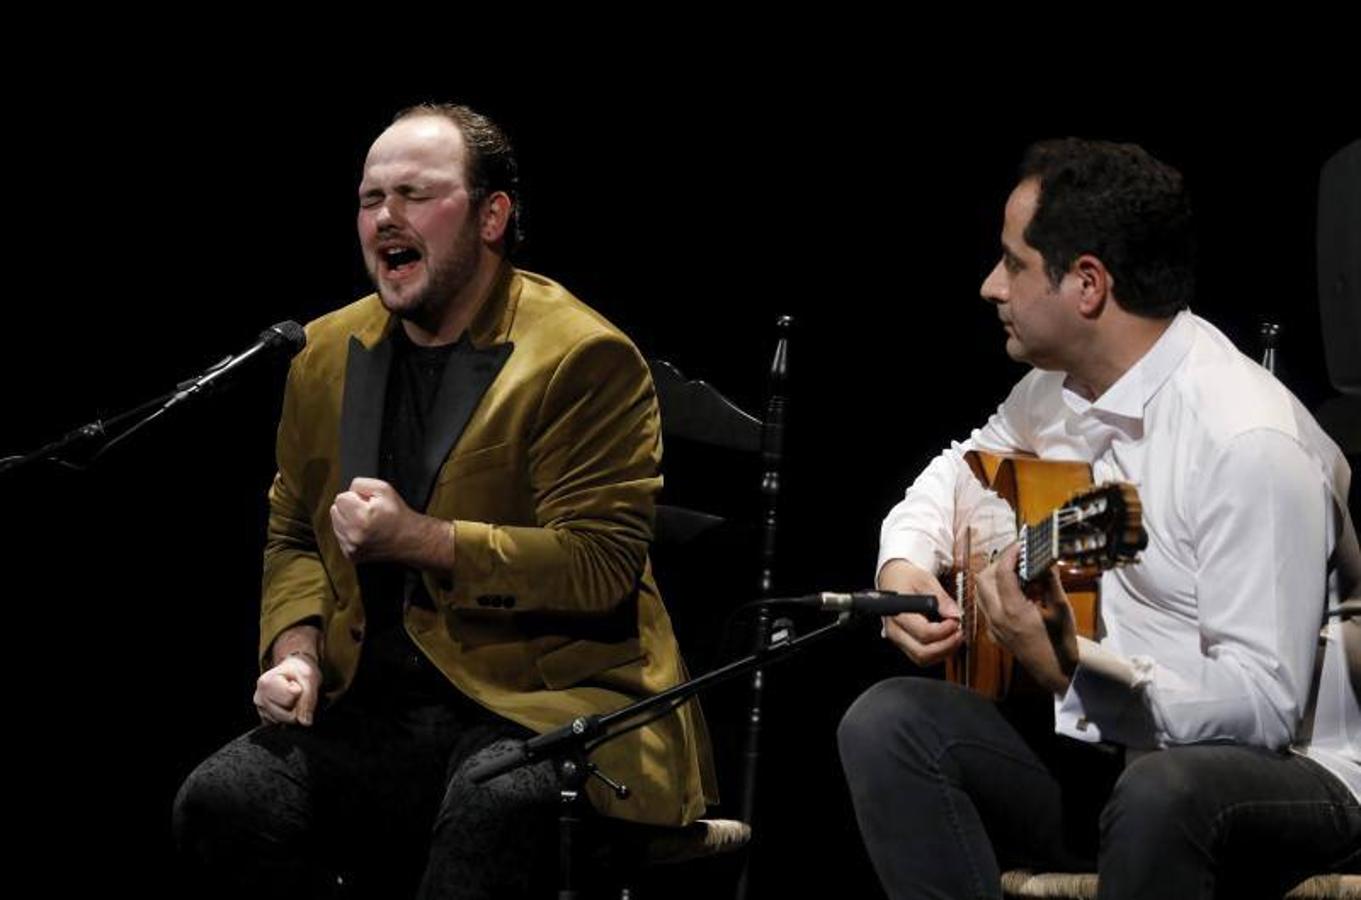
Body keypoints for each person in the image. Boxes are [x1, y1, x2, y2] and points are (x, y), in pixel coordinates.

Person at [174, 102, 715, 899]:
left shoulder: (579, 356)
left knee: (495, 806)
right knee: (219, 803)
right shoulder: (324, 351)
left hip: (548, 708)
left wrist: (423, 539)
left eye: (415, 195)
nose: (386, 217)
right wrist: (296, 652)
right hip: (377, 708)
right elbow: (293, 527)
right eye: (369, 199)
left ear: (492, 215)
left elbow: (600, 564)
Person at [837, 138, 1360, 899]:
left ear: (1086, 284)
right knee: (889, 722)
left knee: (1162, 792)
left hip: (1297, 778)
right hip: (1123, 760)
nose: (990, 286)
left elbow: (1260, 709)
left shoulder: (1247, 441)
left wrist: (1073, 669)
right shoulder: (1058, 392)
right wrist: (904, 563)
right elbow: (961, 468)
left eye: (1012, 264)